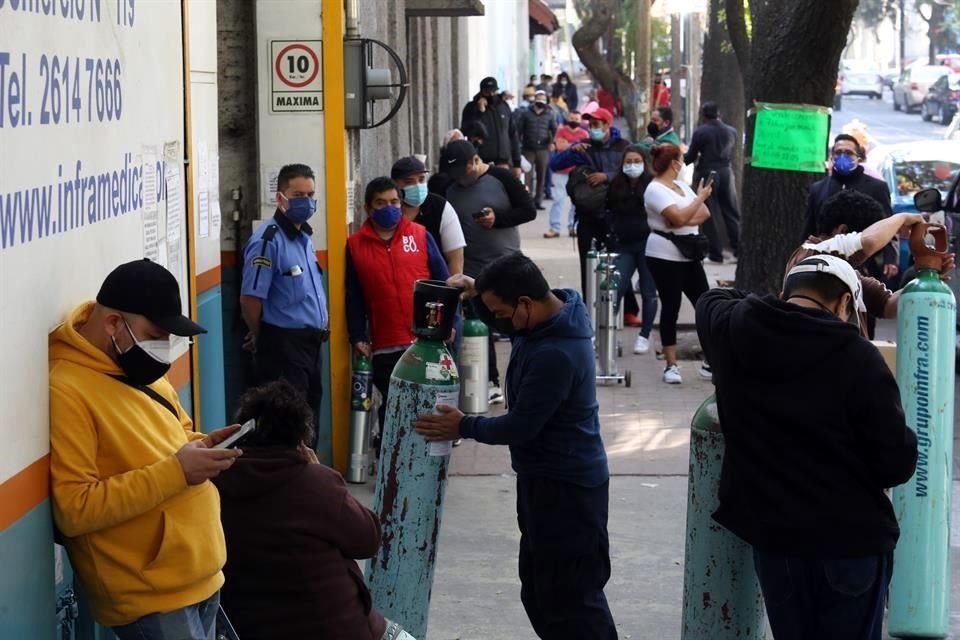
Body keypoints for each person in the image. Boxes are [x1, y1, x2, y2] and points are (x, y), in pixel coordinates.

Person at [695, 254, 918, 640]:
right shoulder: (859, 358)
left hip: (777, 541)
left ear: (786, 294)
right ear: (844, 303)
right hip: (851, 542)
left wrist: (781, 298)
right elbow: (895, 464)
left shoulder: (735, 332)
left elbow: (711, 302)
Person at [413, 253, 617, 640]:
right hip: (542, 482)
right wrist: (476, 293)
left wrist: (464, 425)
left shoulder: (555, 354)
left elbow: (521, 427)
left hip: (567, 489)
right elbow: (508, 318)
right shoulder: (548, 313)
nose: (499, 321)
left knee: (572, 599)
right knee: (540, 592)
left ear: (525, 303)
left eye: (501, 313)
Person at [50, 259, 243, 638]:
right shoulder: (67, 390)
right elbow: (74, 509)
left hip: (202, 573)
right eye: (156, 334)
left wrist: (201, 446)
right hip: (151, 598)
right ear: (113, 324)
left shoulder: (137, 369)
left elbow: (176, 434)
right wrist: (178, 471)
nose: (164, 348)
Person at [213, 380, 415, 640]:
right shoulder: (316, 483)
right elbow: (368, 539)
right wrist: (321, 472)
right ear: (301, 438)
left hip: (251, 628)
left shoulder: (215, 485)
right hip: (335, 627)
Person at [346, 177, 450, 441]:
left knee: (428, 405)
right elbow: (354, 296)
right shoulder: (356, 246)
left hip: (427, 341)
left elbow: (443, 282)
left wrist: (449, 324)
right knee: (395, 404)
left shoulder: (420, 235)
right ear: (368, 208)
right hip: (386, 344)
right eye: (381, 203)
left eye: (394, 202)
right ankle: (390, 466)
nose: (389, 208)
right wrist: (358, 335)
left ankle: (425, 464)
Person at [440, 140, 536, 404]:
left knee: (518, 323)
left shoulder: (501, 178)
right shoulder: (450, 189)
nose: (460, 178)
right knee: (482, 324)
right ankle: (491, 380)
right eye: (454, 174)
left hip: (506, 264)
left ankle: (524, 377)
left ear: (475, 161)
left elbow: (528, 211)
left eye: (463, 171)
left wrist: (497, 218)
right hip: (472, 269)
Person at [240, 163, 329, 448]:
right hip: (283, 348)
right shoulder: (268, 241)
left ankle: (308, 482)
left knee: (309, 419)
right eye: (298, 194)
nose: (306, 201)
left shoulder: (303, 238)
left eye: (311, 194)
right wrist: (260, 334)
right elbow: (250, 298)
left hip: (311, 346)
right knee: (288, 428)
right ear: (280, 198)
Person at [787, 189, 952, 335]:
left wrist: (925, 279)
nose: (867, 256)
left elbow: (887, 305)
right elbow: (869, 242)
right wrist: (901, 218)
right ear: (843, 231)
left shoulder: (844, 273)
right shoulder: (814, 255)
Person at [643, 143, 712, 384]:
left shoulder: (682, 186)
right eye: (681, 159)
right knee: (671, 306)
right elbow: (680, 217)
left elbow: (704, 214)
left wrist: (683, 218)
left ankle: (710, 360)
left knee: (705, 303)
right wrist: (699, 199)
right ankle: (671, 365)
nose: (683, 163)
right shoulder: (654, 190)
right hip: (664, 254)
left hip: (689, 252)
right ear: (673, 163)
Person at [549, 107, 630, 295]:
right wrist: (571, 151)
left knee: (616, 265)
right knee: (588, 263)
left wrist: (607, 176)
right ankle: (589, 307)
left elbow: (631, 172)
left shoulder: (623, 146)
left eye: (597, 125)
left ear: (608, 125)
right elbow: (554, 165)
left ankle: (625, 309)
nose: (593, 128)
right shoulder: (583, 146)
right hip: (587, 215)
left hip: (614, 215)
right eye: (591, 125)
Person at [801, 134, 897, 289]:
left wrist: (890, 258)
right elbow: (809, 226)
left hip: (867, 261)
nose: (842, 157)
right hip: (826, 261)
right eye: (838, 152)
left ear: (859, 158)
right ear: (831, 157)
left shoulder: (877, 187)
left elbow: (888, 224)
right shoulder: (818, 188)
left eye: (848, 153)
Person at [608, 145, 659, 354]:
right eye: (628, 161)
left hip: (648, 245)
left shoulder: (652, 185)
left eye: (636, 161)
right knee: (616, 289)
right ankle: (609, 334)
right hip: (624, 245)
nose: (632, 165)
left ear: (644, 163)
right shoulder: (616, 184)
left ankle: (644, 336)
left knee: (649, 292)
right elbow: (608, 209)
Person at [683, 101, 742, 263]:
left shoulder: (701, 132)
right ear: (719, 114)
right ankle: (738, 250)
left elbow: (691, 156)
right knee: (731, 212)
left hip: (708, 173)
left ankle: (716, 253)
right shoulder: (732, 131)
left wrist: (680, 159)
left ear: (703, 115)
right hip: (727, 173)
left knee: (709, 212)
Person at [392, 156, 466, 275]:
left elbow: (456, 258)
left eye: (421, 180)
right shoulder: (390, 211)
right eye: (408, 182)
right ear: (395, 185)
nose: (417, 186)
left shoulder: (441, 208)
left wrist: (452, 291)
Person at [460, 76, 522, 175]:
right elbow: (465, 130)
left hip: (504, 162)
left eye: (493, 92)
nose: (491, 95)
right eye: (487, 92)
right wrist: (479, 112)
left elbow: (513, 134)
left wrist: (517, 163)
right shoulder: (471, 107)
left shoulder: (504, 107)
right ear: (481, 92)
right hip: (482, 162)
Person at [546, 109, 589, 238]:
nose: (574, 121)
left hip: (577, 171)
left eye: (576, 119)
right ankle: (554, 228)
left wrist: (568, 146)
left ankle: (574, 227)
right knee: (558, 199)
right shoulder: (561, 131)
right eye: (571, 118)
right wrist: (574, 146)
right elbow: (559, 146)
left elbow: (584, 150)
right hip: (561, 171)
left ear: (580, 121)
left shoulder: (584, 134)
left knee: (576, 201)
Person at [517, 89, 557, 210]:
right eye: (538, 98)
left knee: (541, 176)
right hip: (528, 148)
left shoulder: (549, 114)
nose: (541, 101)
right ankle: (527, 201)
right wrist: (519, 145)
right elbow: (519, 130)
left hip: (543, 150)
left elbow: (554, 129)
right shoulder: (526, 113)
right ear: (534, 99)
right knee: (527, 177)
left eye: (543, 99)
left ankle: (538, 201)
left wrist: (551, 142)